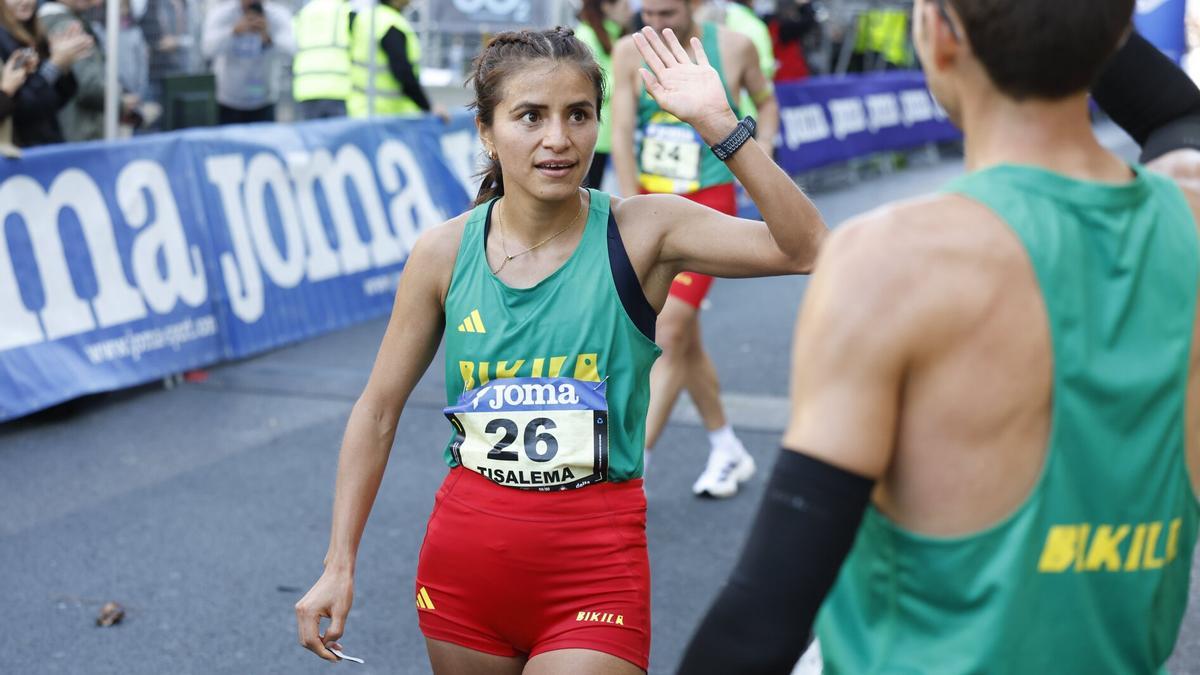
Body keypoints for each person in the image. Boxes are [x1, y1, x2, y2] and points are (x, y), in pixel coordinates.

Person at [676, 1, 1200, 672]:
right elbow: (1178, 113)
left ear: (938, 32)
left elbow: (764, 612)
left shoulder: (892, 261)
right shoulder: (1186, 212)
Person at [294, 25, 826, 674]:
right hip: (464, 568)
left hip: (594, 574)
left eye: (578, 115)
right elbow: (377, 410)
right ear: (487, 132)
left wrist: (721, 125)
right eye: (530, 116)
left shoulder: (643, 231)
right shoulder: (442, 253)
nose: (558, 138)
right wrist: (338, 563)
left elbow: (807, 249)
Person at [611, 0, 779, 498]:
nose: (657, 25)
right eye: (649, 15)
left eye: (669, 14)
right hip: (651, 202)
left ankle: (634, 466)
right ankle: (726, 446)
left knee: (674, 324)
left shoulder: (734, 46)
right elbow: (620, 130)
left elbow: (765, 100)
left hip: (708, 201)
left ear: (694, 6)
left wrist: (762, 143)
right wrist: (627, 205)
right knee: (687, 339)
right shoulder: (628, 52)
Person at [40, 0, 140, 142]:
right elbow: (87, 85)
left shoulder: (58, 21)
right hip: (79, 131)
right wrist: (120, 103)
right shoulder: (66, 25)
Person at [0, 0, 91, 147]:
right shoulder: (4, 39)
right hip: (20, 150)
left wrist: (63, 65)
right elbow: (22, 108)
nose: (26, 1)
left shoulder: (35, 33)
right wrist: (54, 65)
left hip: (45, 142)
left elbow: (54, 101)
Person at [346, 0, 444, 120]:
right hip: (387, 117)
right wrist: (428, 107)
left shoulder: (364, 17)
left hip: (359, 112)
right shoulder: (391, 24)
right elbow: (403, 73)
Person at [202, 0, 295, 125]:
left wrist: (268, 38)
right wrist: (234, 32)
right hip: (229, 100)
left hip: (264, 100)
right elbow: (207, 50)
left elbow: (291, 51)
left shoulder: (278, 15)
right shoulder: (222, 14)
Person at [575, 0, 632, 188]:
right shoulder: (586, 35)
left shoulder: (616, 35)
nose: (630, 11)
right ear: (606, 6)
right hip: (595, 135)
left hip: (611, 135)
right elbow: (588, 87)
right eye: (625, 5)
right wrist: (628, 82)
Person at [292, 0, 350, 120]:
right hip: (338, 87)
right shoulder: (346, 11)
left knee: (310, 137)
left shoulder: (304, 12)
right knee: (339, 137)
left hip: (306, 87)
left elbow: (291, 44)